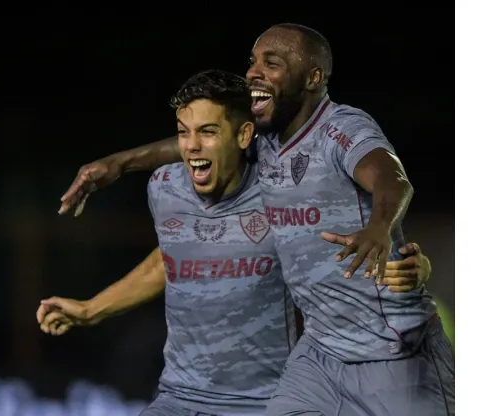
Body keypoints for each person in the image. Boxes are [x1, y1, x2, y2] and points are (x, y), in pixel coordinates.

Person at [55, 24, 454, 416]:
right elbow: (200, 146)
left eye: (272, 63)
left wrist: (381, 229)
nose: (254, 72)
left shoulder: (342, 129)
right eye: (253, 61)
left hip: (391, 349)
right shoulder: (265, 146)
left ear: (313, 77)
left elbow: (391, 178)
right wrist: (118, 164)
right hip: (317, 354)